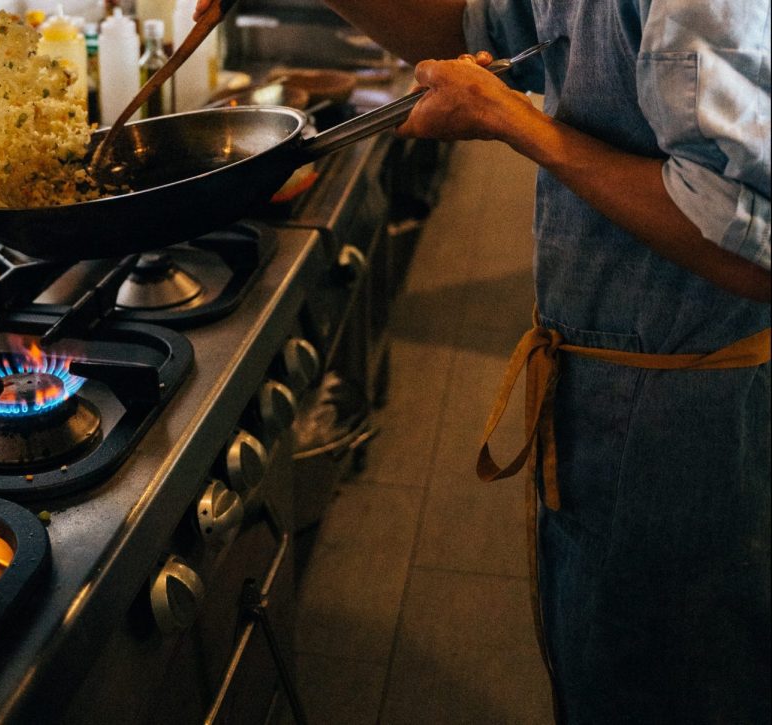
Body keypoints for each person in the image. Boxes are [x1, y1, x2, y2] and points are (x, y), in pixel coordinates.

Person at [196, 0, 771, 722]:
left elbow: (749, 243)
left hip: (695, 417)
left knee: (673, 686)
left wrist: (512, 120)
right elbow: (480, 24)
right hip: (606, 382)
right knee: (599, 670)